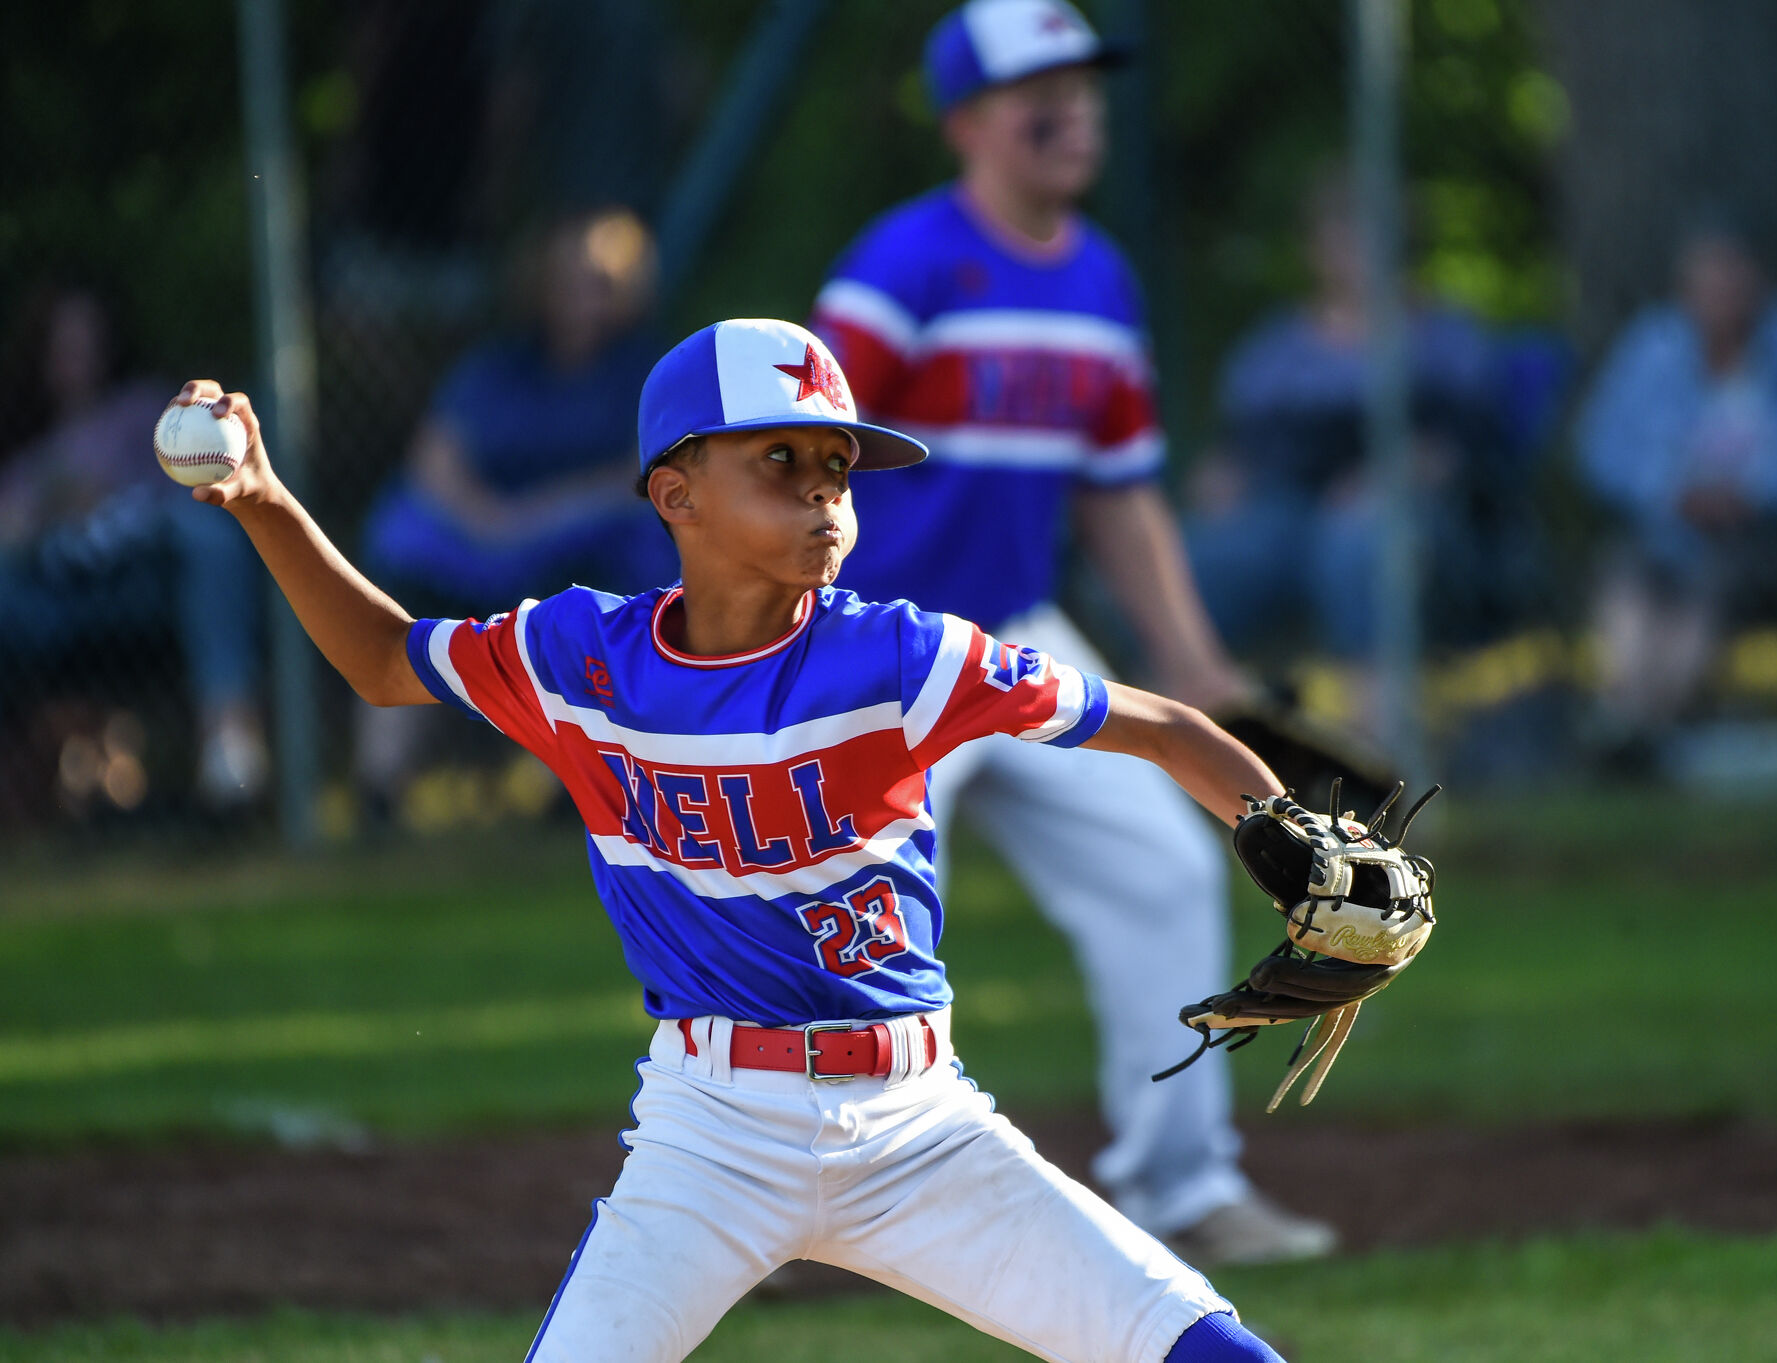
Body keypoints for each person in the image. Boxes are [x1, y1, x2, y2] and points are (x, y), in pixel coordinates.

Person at [170, 316, 1289, 1362]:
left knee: (1200, 1347)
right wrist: (264, 498)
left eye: (837, 469)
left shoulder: (904, 660)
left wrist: (1290, 844)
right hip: (709, 1134)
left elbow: (1165, 727)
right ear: (676, 493)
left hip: (917, 1125)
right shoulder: (577, 660)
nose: (823, 499)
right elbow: (381, 660)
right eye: (779, 463)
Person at [809, 0, 1334, 1263]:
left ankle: (1180, 1186)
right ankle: (778, 1205)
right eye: (1040, 83)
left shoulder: (1097, 279)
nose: (1074, 105)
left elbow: (1119, 491)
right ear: (967, 121)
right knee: (825, 914)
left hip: (1009, 644)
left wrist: (1191, 661)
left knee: (1158, 870)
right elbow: (798, 451)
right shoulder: (902, 268)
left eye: (1086, 82)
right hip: (877, 653)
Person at [353, 208, 676, 813]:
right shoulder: (497, 366)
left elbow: (645, 472)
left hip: (585, 541)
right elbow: (435, 461)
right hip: (486, 537)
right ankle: (378, 790)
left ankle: (574, 787)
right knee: (401, 544)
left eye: (600, 283)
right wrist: (490, 520)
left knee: (617, 584)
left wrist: (541, 515)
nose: (581, 299)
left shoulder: (646, 370)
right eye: (566, 281)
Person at [1183, 173, 1533, 728]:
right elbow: (1237, 444)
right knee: (1209, 556)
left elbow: (1466, 447)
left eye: (1366, 233)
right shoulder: (1276, 347)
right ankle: (1183, 737)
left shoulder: (1446, 339)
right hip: (1286, 508)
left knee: (1359, 545)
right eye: (1336, 235)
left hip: (1409, 511)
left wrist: (1392, 476)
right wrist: (1222, 476)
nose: (1350, 250)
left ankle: (1375, 742)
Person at [1575, 218, 1777, 767]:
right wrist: (1669, 491)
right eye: (1707, 286)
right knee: (1628, 574)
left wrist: (1761, 493)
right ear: (1684, 292)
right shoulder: (1654, 348)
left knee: (1709, 578)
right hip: (1673, 529)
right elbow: (1600, 446)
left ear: (1761, 286)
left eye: (1733, 283)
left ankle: (1646, 733)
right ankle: (1631, 720)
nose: (1721, 299)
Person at [0, 284, 267, 808]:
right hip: (57, 600)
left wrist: (110, 497)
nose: (78, 359)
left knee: (209, 537)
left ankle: (230, 740)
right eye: (64, 345)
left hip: (144, 584)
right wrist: (54, 506)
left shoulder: (145, 410)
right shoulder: (30, 448)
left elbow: (187, 491)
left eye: (89, 343)